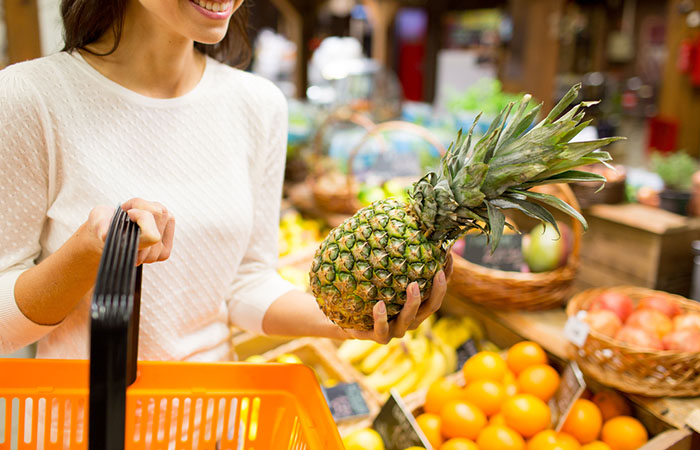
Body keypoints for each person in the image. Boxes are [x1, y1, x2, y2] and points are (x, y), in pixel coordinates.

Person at [0, 0, 449, 360]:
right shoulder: (30, 98)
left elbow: (246, 284)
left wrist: (352, 320)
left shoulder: (258, 105)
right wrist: (86, 253)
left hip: (215, 415)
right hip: (86, 422)